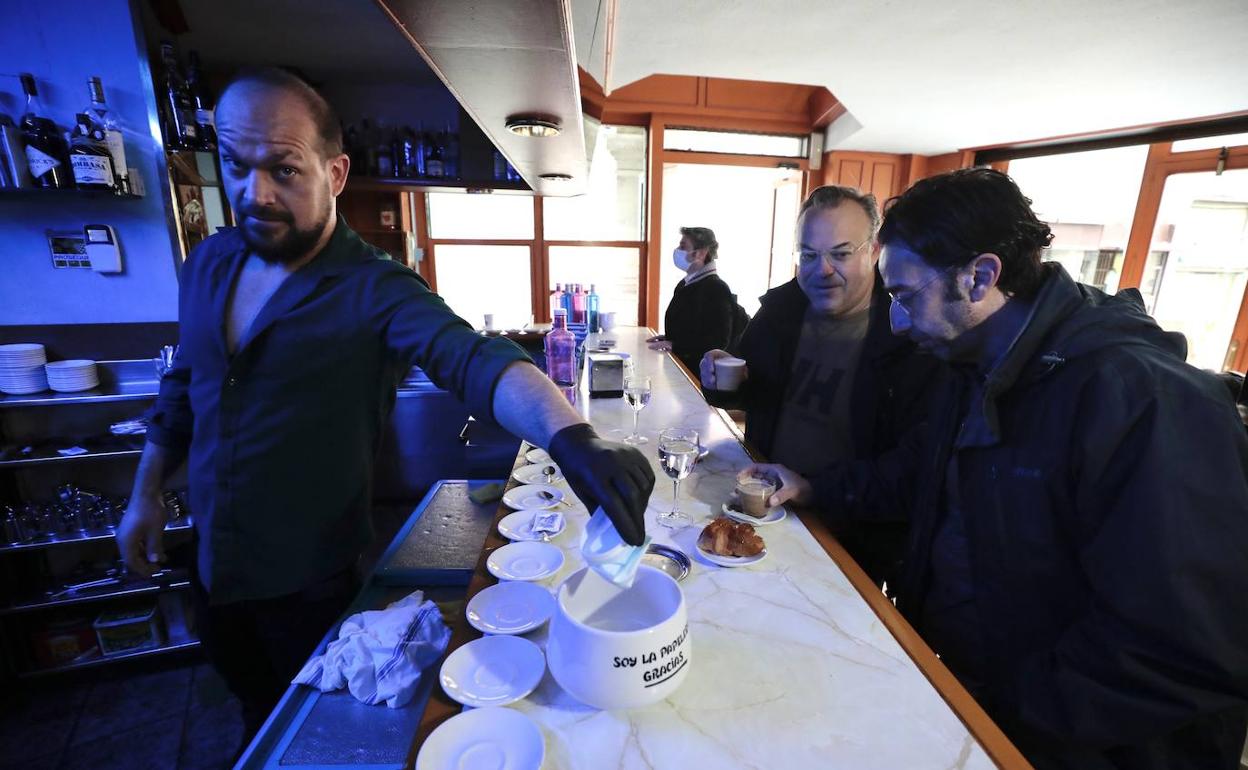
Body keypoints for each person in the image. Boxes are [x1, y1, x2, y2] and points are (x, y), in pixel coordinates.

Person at [116, 68, 654, 745]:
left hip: (309, 583)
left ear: (335, 173)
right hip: (212, 569)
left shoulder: (375, 287)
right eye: (235, 165)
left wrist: (573, 436)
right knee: (254, 715)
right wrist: (144, 495)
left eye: (284, 169)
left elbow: (469, 356)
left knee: (319, 735)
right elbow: (183, 390)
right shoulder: (207, 265)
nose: (255, 193)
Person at [786, 167, 1248, 768]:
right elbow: (919, 474)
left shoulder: (1144, 400)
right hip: (963, 695)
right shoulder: (972, 358)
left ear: (980, 275)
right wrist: (814, 485)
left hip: (1065, 741)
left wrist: (1003, 712)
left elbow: (1185, 644)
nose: (895, 321)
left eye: (903, 295)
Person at [701, 186, 943, 589]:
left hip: (853, 533)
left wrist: (814, 489)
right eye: (809, 255)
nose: (822, 270)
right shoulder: (781, 310)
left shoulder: (909, 331)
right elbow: (746, 389)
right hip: (767, 511)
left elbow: (912, 469)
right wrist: (721, 377)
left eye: (840, 254)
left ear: (875, 249)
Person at [647, 226, 740, 373]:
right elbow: (694, 327)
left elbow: (717, 342)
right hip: (681, 366)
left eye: (683, 246)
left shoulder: (716, 288)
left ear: (701, 253)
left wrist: (676, 345)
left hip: (699, 373)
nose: (677, 250)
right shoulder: (685, 283)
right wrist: (670, 339)